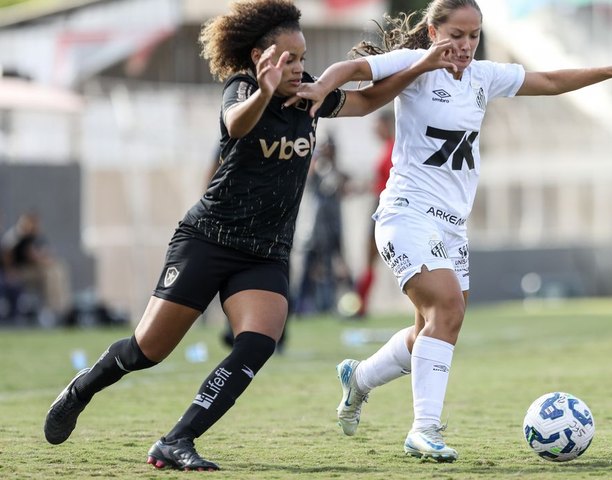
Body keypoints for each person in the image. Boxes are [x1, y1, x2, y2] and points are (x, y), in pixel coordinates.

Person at [43, 0, 456, 471]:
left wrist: (422, 63)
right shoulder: (241, 88)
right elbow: (236, 123)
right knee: (147, 351)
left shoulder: (310, 94)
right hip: (209, 239)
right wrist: (263, 92)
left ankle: (178, 439)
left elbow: (366, 102)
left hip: (266, 253)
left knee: (259, 342)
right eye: (289, 58)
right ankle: (81, 388)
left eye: (301, 57)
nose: (299, 67)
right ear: (261, 57)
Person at [294, 0, 612, 462]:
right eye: (456, 34)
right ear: (432, 31)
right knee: (446, 309)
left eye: (474, 35)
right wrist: (318, 89)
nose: (465, 45)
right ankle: (424, 430)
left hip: (451, 227)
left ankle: (359, 379)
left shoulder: (485, 76)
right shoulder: (415, 65)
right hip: (407, 214)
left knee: (434, 326)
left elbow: (547, 82)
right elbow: (353, 68)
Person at [294, 136, 354, 315]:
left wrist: (333, 158)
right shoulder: (316, 167)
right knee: (307, 268)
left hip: (333, 226)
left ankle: (335, 305)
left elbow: (344, 183)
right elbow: (309, 175)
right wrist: (317, 154)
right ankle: (300, 307)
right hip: (313, 227)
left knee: (335, 267)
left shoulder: (333, 170)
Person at [354, 110, 396, 317]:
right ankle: (361, 305)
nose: (374, 129)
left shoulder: (394, 149)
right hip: (379, 203)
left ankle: (361, 305)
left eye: (377, 124)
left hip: (385, 206)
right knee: (369, 258)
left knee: (372, 256)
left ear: (387, 124)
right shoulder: (387, 148)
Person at [1, 211, 71, 323]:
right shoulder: (15, 236)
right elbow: (7, 255)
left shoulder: (35, 237)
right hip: (19, 272)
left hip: (33, 271)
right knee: (49, 274)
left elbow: (46, 253)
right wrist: (9, 271)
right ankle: (51, 310)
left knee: (57, 269)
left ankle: (60, 308)